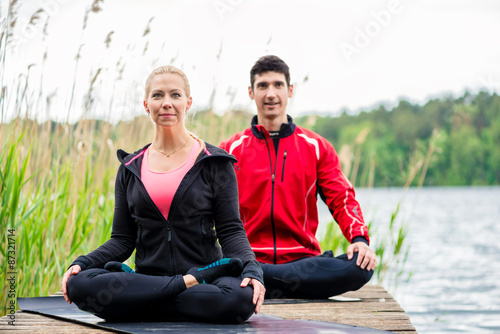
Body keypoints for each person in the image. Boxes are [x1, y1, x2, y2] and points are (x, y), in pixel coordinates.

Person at [61, 65, 265, 323]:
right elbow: (122, 240)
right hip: (152, 278)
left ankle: (145, 301)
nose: (166, 103)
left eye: (175, 95)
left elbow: (231, 230)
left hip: (204, 277)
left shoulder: (215, 163)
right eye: (158, 95)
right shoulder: (130, 168)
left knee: (238, 297)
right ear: (146, 104)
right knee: (80, 284)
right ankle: (181, 288)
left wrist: (252, 269)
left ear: (188, 103)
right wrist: (83, 262)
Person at [219, 55, 377, 299]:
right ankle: (263, 279)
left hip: (303, 262)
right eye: (262, 86)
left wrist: (359, 238)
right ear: (251, 92)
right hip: (248, 261)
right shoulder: (230, 150)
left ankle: (264, 283)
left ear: (289, 90)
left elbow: (341, 198)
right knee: (221, 264)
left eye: (277, 85)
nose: (270, 94)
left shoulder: (316, 146)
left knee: (360, 266)